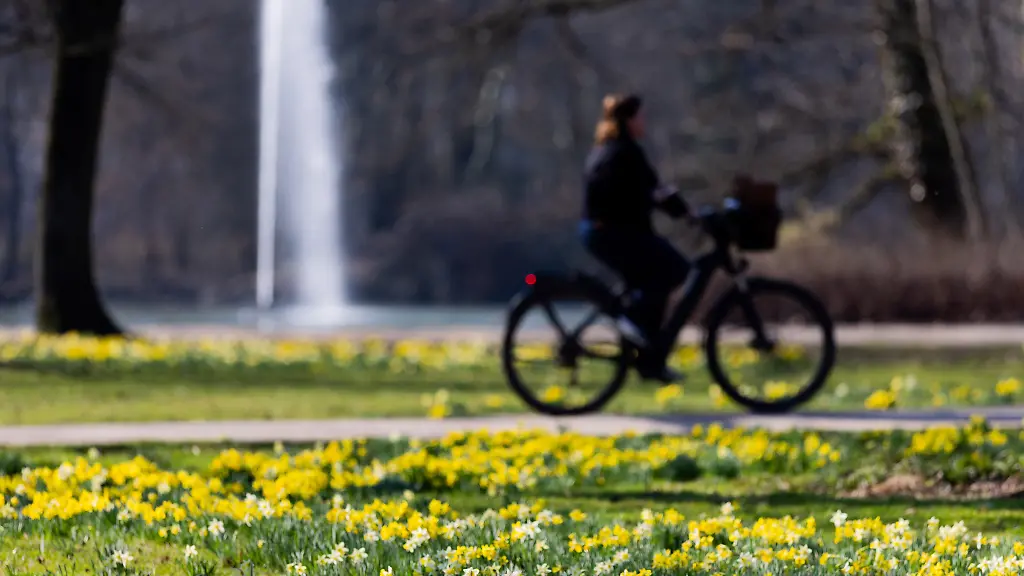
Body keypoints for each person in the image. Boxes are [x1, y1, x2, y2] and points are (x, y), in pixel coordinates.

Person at [579, 94, 692, 384]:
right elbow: (653, 191)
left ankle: (645, 348)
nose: (644, 123)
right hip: (613, 233)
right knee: (674, 268)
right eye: (641, 117)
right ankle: (637, 332)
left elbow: (648, 192)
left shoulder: (607, 149)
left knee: (651, 277)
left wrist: (674, 207)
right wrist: (686, 212)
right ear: (629, 120)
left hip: (599, 231)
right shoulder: (626, 152)